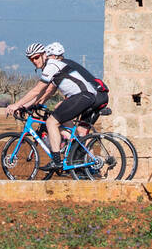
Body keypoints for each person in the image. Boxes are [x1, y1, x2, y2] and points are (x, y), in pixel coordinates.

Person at [6, 42, 107, 171]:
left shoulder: (51, 65)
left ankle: (57, 161)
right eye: (31, 59)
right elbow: (42, 93)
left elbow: (37, 90)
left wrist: (16, 105)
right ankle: (76, 151)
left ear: (44, 55)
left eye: (36, 57)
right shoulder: (50, 67)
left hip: (83, 95)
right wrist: (25, 106)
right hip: (82, 96)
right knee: (64, 125)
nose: (34, 61)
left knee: (51, 122)